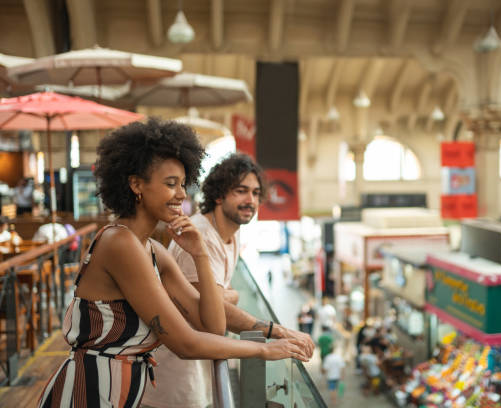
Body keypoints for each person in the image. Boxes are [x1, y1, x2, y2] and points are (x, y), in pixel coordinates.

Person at [37, 119, 309, 408]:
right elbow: (185, 343)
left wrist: (200, 254)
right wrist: (263, 350)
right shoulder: (120, 243)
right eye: (170, 184)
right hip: (86, 395)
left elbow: (213, 327)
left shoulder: (153, 249)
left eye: (182, 184)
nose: (181, 194)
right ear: (136, 184)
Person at [142, 153, 314, 408]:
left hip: (195, 373)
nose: (251, 200)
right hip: (173, 383)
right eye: (241, 191)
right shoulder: (200, 236)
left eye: (256, 193)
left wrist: (227, 296)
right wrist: (277, 331)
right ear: (219, 195)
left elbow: (222, 297)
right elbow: (212, 313)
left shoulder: (229, 236)